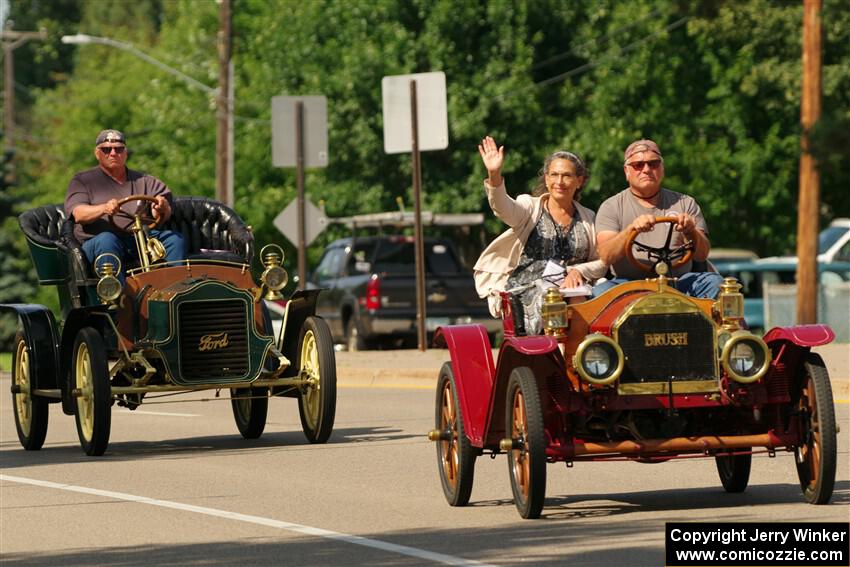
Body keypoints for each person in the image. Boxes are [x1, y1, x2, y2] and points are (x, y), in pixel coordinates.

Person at [473, 136, 606, 334]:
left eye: (567, 176)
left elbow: (603, 261)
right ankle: (559, 354)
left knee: (600, 298)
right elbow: (502, 208)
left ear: (579, 181)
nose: (559, 181)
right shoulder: (529, 207)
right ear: (546, 178)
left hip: (577, 290)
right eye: (554, 175)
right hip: (529, 289)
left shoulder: (589, 217)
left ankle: (587, 355)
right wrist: (494, 174)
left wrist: (578, 271)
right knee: (554, 298)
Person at [593, 139, 723, 298]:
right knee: (599, 293)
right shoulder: (611, 206)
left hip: (679, 283)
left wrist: (691, 232)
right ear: (627, 171)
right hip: (629, 285)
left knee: (716, 283)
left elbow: (702, 255)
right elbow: (606, 256)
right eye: (638, 165)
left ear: (662, 169)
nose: (646, 169)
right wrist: (631, 230)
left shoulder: (685, 203)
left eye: (653, 164)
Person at [64, 129, 186, 282]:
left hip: (137, 239)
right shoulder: (83, 181)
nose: (113, 153)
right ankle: (114, 296)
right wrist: (104, 208)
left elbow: (162, 213)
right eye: (106, 149)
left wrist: (161, 208)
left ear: (126, 153)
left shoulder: (145, 180)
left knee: (174, 239)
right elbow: (79, 214)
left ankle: (172, 290)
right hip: (97, 243)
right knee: (107, 240)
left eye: (119, 149)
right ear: (97, 153)